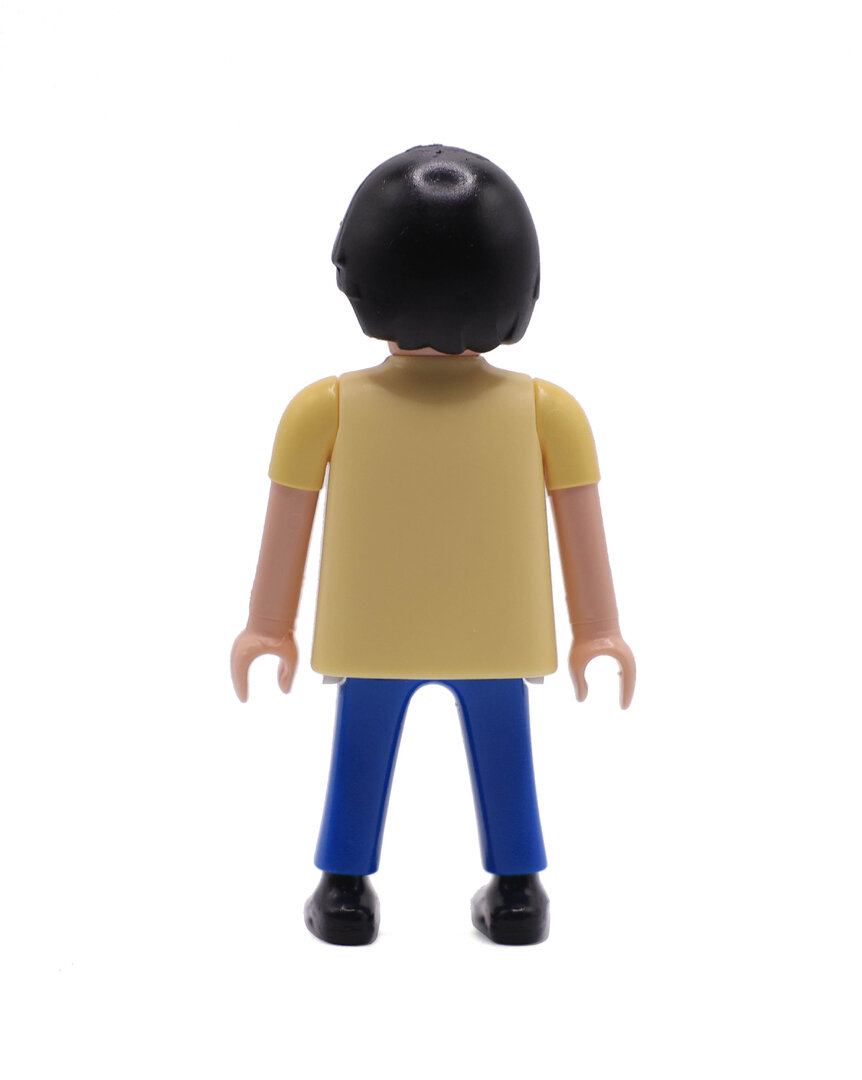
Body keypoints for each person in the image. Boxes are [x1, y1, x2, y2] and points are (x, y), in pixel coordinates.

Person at [230, 145, 635, 945]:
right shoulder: (548, 411)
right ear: (520, 286)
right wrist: (597, 630)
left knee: (362, 745)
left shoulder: (324, 407)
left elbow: (288, 521)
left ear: (359, 277)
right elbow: (580, 527)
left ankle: (344, 890)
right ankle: (518, 892)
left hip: (375, 628)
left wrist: (269, 625)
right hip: (495, 630)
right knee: (502, 748)